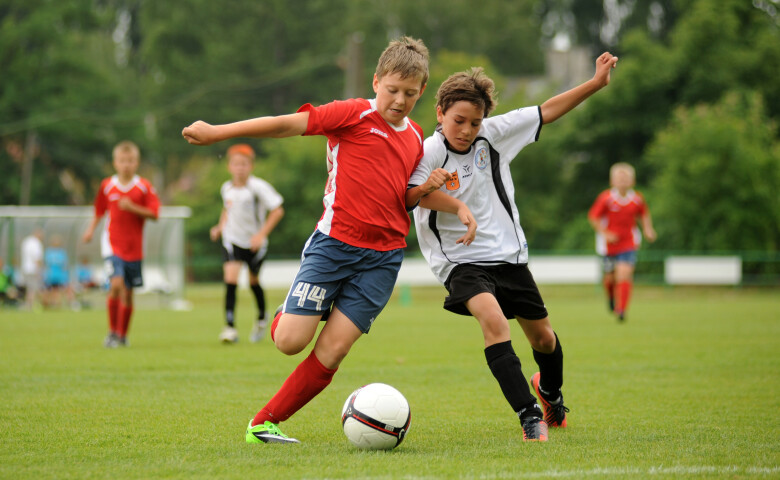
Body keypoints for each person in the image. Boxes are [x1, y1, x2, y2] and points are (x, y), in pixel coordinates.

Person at [183, 36, 473, 444]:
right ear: (376, 82)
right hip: (334, 246)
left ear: (422, 91)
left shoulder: (416, 137)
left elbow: (404, 199)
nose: (399, 101)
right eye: (392, 90)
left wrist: (436, 195)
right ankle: (296, 307)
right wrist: (218, 133)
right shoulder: (351, 114)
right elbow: (286, 124)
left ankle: (264, 423)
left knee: (334, 350)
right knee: (289, 342)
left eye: (410, 94)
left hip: (383, 260)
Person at [406, 53, 619, 442]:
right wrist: (444, 198)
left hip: (509, 255)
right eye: (458, 121)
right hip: (460, 260)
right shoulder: (429, 151)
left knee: (544, 339)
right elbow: (411, 198)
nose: (467, 130)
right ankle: (529, 414)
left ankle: (550, 394)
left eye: (474, 122)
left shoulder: (494, 133)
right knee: (495, 322)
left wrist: (595, 83)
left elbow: (546, 110)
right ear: (439, 113)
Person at [82, 141, 160, 347]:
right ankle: (111, 333)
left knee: (128, 292)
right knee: (116, 285)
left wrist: (133, 207)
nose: (126, 164)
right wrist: (90, 230)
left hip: (134, 248)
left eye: (131, 161)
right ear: (115, 163)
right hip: (112, 244)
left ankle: (122, 335)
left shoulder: (143, 186)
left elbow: (154, 214)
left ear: (137, 163)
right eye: (122, 161)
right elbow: (99, 210)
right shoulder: (107, 185)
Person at [210, 143, 284, 344]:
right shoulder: (226, 188)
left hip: (254, 244)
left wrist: (261, 235)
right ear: (229, 167)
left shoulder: (258, 188)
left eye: (244, 164)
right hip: (233, 240)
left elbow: (277, 210)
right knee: (231, 281)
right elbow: (227, 210)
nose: (240, 168)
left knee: (253, 282)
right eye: (236, 164)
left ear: (250, 166)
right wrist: (219, 227)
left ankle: (261, 318)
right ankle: (229, 327)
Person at [588, 162, 656, 322]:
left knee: (624, 275)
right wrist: (606, 233)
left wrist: (648, 230)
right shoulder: (606, 198)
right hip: (608, 246)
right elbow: (593, 217)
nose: (623, 181)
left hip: (629, 243)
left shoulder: (637, 199)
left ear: (632, 181)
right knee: (610, 278)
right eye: (619, 178)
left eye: (626, 178)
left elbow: (644, 215)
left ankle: (622, 310)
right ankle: (611, 297)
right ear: (612, 181)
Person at [19, 227, 44, 310]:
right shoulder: (37, 243)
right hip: (33, 269)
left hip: (25, 268)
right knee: (32, 288)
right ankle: (30, 305)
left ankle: (28, 304)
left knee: (29, 288)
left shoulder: (26, 241)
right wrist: (38, 270)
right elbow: (37, 258)